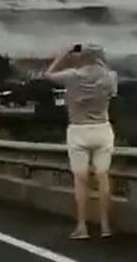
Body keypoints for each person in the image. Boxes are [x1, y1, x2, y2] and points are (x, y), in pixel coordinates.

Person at [45, 45, 118, 240]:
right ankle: (105, 226)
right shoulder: (110, 77)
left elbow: (48, 74)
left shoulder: (72, 76)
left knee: (80, 180)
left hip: (78, 131)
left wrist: (63, 54)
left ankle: (82, 226)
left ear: (82, 57)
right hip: (102, 129)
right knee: (102, 177)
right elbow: (112, 92)